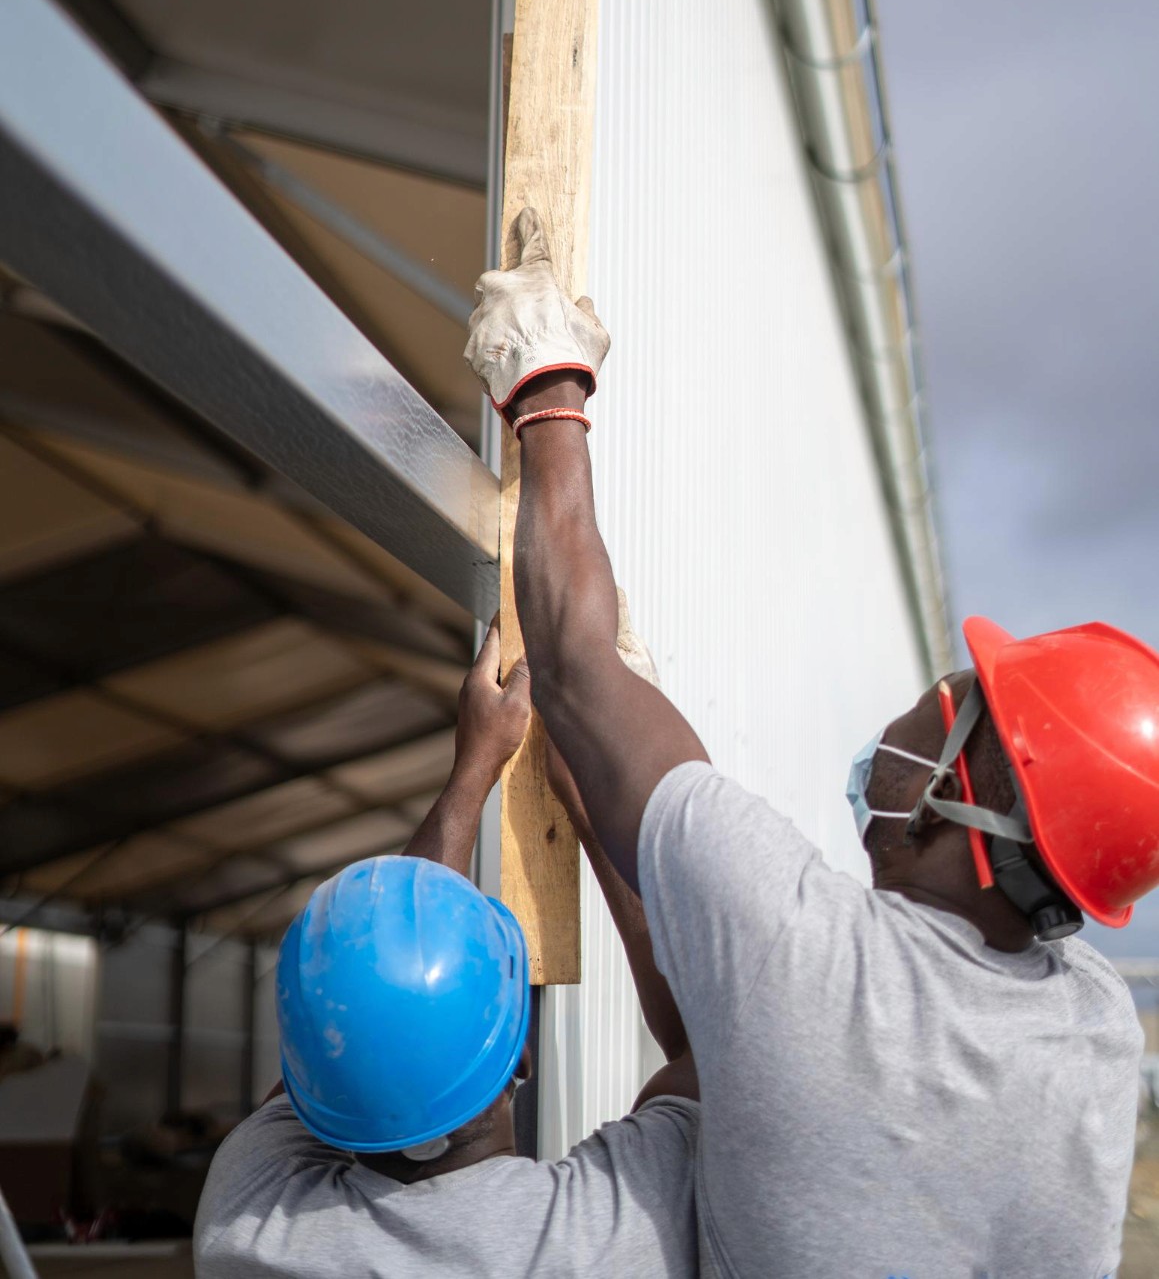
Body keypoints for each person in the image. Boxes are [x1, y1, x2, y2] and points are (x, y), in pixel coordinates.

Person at [463, 207, 1159, 1279]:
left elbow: (571, 663)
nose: (923, 701)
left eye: (951, 696)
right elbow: (738, 1038)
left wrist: (546, 382)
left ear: (965, 792)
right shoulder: (1098, 1036)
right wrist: (601, 812)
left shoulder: (807, 949)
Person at [194, 619, 700, 1279]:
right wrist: (590, 804)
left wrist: (475, 767)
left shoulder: (248, 1226)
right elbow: (705, 1053)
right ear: (521, 1056)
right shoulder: (604, 1233)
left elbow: (360, 1004)